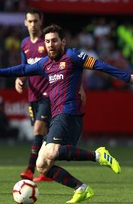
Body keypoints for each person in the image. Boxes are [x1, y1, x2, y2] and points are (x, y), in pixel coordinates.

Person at [0, 24, 133, 203]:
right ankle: (81, 188)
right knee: (42, 165)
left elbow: (99, 65)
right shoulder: (45, 64)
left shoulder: (73, 56)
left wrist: (127, 77)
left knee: (51, 153)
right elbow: (22, 69)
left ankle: (99, 155)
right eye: (48, 42)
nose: (51, 45)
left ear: (63, 41)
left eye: (54, 41)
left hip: (69, 114)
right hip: (57, 117)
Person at [16, 9, 86, 182]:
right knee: (45, 133)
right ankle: (45, 170)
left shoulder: (48, 42)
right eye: (29, 21)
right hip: (33, 94)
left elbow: (67, 66)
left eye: (35, 21)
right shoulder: (24, 43)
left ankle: (30, 170)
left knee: (38, 129)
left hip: (50, 94)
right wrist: (19, 78)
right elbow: (25, 67)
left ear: (41, 22)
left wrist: (79, 87)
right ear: (25, 23)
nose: (32, 24)